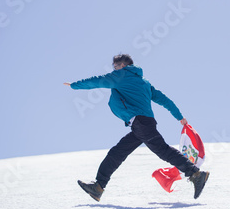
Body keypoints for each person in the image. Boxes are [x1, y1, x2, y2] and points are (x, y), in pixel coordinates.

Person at [63, 54, 209, 201]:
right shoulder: (143, 82)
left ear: (125, 66)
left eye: (117, 66)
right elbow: (164, 99)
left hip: (140, 123)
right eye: (114, 67)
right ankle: (98, 187)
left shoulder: (122, 76)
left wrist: (75, 85)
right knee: (117, 153)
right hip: (141, 124)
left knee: (162, 150)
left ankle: (195, 174)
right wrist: (179, 116)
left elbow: (98, 81)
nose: (115, 69)